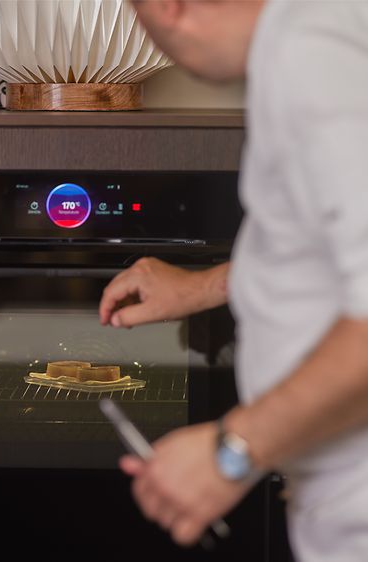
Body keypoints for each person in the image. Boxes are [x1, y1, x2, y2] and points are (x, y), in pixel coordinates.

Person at [98, 1, 368, 561]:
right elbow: (332, 253)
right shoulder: (321, 34)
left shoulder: (311, 55)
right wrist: (203, 287)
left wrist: (233, 449)